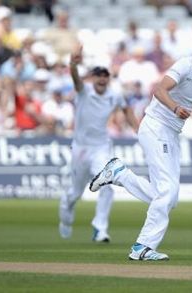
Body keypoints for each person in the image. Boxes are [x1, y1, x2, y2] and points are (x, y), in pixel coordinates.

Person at [89, 33, 192, 260]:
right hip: (156, 127)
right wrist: (176, 108)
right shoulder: (185, 65)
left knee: (168, 196)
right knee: (166, 193)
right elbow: (159, 90)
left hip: (171, 133)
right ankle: (142, 247)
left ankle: (120, 174)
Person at [58, 45, 139, 243]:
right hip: (81, 149)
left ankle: (99, 228)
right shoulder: (84, 92)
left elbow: (127, 110)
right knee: (75, 193)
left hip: (102, 147)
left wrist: (139, 130)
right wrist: (73, 65)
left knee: (107, 186)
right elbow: (76, 81)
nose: (102, 78)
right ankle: (66, 216)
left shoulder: (114, 95)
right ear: (93, 78)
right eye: (99, 75)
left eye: (105, 75)